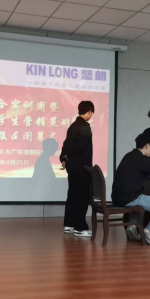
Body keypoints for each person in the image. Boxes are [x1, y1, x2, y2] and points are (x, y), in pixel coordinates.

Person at [60, 101, 95, 238]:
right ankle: (80, 228)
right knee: (82, 197)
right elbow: (80, 148)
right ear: (90, 112)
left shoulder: (73, 126)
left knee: (72, 195)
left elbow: (66, 145)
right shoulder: (85, 126)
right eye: (92, 113)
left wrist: (64, 158)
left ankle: (69, 225)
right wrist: (71, 157)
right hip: (81, 168)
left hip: (72, 168)